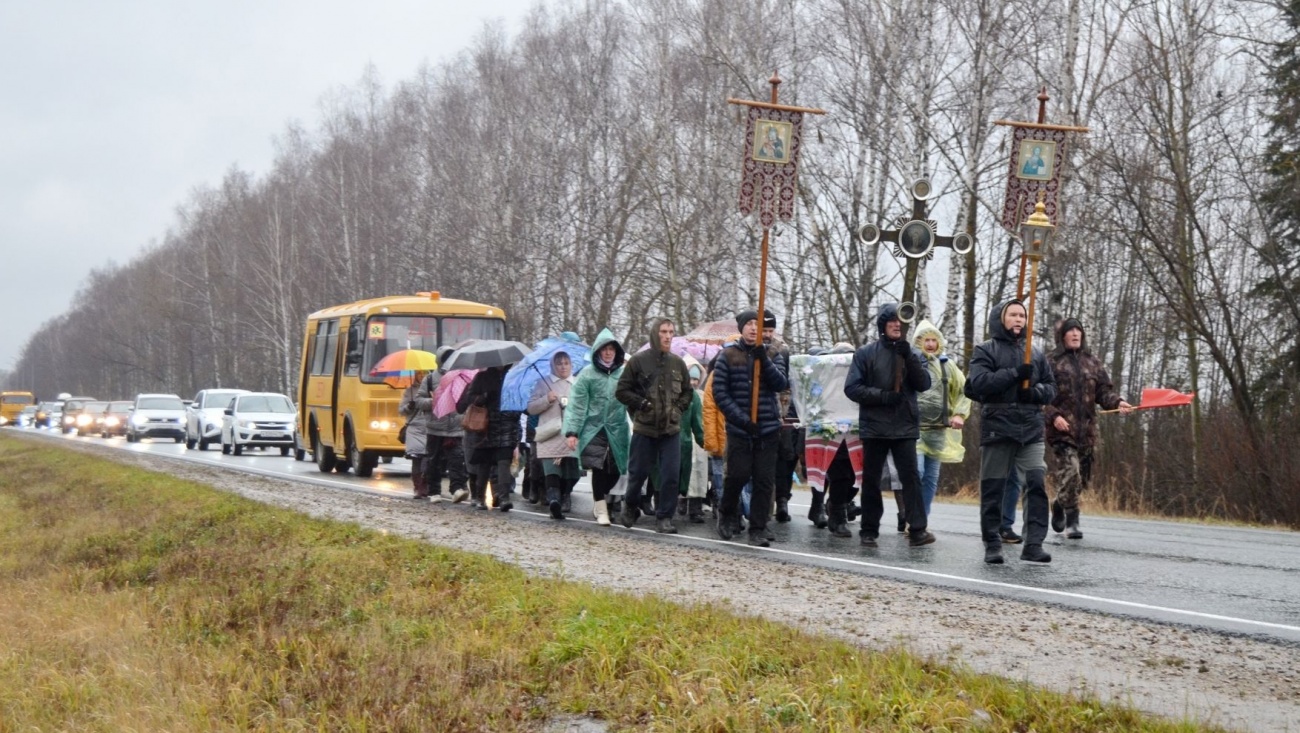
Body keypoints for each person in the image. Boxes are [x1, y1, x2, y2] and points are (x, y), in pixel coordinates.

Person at [965, 299, 1057, 564]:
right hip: (998, 426)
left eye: (1022, 315)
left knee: (1036, 483)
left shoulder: (1035, 353)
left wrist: (1034, 392)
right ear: (1001, 319)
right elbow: (978, 384)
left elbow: (1051, 388)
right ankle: (993, 542)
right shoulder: (986, 350)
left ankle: (1034, 544)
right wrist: (1014, 374)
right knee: (993, 487)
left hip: (1031, 427)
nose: (1018, 319)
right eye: (1013, 315)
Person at [843, 303, 935, 548]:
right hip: (875, 426)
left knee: (911, 478)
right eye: (892, 321)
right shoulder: (865, 353)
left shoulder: (913, 354)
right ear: (883, 325)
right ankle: (869, 530)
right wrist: (882, 396)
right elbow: (852, 388)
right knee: (871, 480)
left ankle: (917, 529)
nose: (897, 325)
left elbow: (924, 384)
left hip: (904, 425)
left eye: (901, 321)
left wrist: (909, 358)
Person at [1044, 318, 1133, 539]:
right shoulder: (1051, 361)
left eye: (1078, 330)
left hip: (1087, 432)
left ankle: (1059, 503)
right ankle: (1072, 522)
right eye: (1070, 331)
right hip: (1062, 431)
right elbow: (1041, 396)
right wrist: (1054, 416)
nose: (1075, 334)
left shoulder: (1092, 362)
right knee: (1071, 472)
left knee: (1082, 479)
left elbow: (1104, 392)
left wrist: (1118, 402)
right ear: (1062, 336)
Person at [712, 309, 790, 547]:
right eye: (750, 324)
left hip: (767, 429)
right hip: (741, 430)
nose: (754, 329)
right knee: (738, 475)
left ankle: (758, 527)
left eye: (758, 325)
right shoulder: (727, 355)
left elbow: (780, 383)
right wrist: (742, 420)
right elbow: (720, 393)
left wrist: (763, 359)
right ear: (742, 328)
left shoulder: (773, 353)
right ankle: (726, 512)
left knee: (764, 481)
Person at [616, 317, 695, 533]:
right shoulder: (638, 361)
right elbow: (621, 391)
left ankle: (664, 517)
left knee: (671, 475)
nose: (668, 336)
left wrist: (678, 409)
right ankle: (630, 505)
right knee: (638, 473)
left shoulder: (678, 363)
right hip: (645, 428)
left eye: (671, 332)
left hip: (671, 429)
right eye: (664, 332)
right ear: (655, 334)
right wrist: (641, 404)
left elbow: (688, 392)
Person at [563, 329, 630, 526]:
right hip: (594, 428)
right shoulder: (587, 375)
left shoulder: (623, 375)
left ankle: (602, 499)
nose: (608, 353)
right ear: (598, 351)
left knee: (616, 470)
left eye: (611, 349)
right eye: (604, 349)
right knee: (598, 467)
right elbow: (577, 405)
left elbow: (632, 400)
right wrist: (572, 431)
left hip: (618, 428)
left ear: (616, 352)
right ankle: (601, 508)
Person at [912, 320, 971, 517]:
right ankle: (911, 514)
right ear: (918, 342)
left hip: (938, 430)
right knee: (917, 472)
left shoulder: (948, 366)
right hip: (914, 429)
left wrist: (959, 414)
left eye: (933, 340)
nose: (930, 344)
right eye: (926, 340)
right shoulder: (911, 364)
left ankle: (921, 519)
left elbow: (964, 390)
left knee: (931, 477)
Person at [456, 364, 522, 512]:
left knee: (504, 463)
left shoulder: (513, 378)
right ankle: (480, 498)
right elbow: (469, 398)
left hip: (506, 427)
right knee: (484, 465)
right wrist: (484, 397)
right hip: (485, 427)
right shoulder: (482, 377)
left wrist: (514, 412)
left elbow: (520, 400)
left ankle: (504, 498)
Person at [527, 351, 579, 520]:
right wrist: (546, 399)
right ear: (553, 366)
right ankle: (554, 501)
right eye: (559, 363)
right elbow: (531, 408)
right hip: (550, 434)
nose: (563, 367)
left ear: (571, 365)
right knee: (551, 471)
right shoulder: (543, 383)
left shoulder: (577, 383)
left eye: (566, 363)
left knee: (572, 472)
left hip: (571, 434)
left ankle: (566, 495)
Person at [422, 346, 469, 503]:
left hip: (455, 428)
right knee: (434, 461)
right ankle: (434, 491)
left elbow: (465, 399)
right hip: (435, 427)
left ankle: (456, 488)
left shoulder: (461, 377)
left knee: (457, 460)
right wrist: (433, 401)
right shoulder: (429, 379)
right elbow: (419, 401)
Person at [399, 369, 435, 500]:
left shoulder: (433, 389)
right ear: (415, 375)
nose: (422, 376)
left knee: (427, 459)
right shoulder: (410, 391)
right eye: (419, 373)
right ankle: (418, 488)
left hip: (429, 427)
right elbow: (401, 411)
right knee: (416, 459)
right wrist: (409, 406)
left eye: (424, 373)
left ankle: (425, 485)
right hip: (414, 428)